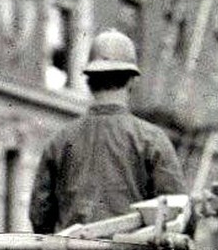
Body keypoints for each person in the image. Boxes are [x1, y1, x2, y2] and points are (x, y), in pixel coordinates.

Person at [28, 28, 186, 237]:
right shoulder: (152, 140)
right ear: (132, 80)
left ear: (89, 81)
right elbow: (177, 212)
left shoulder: (59, 142)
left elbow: (40, 216)